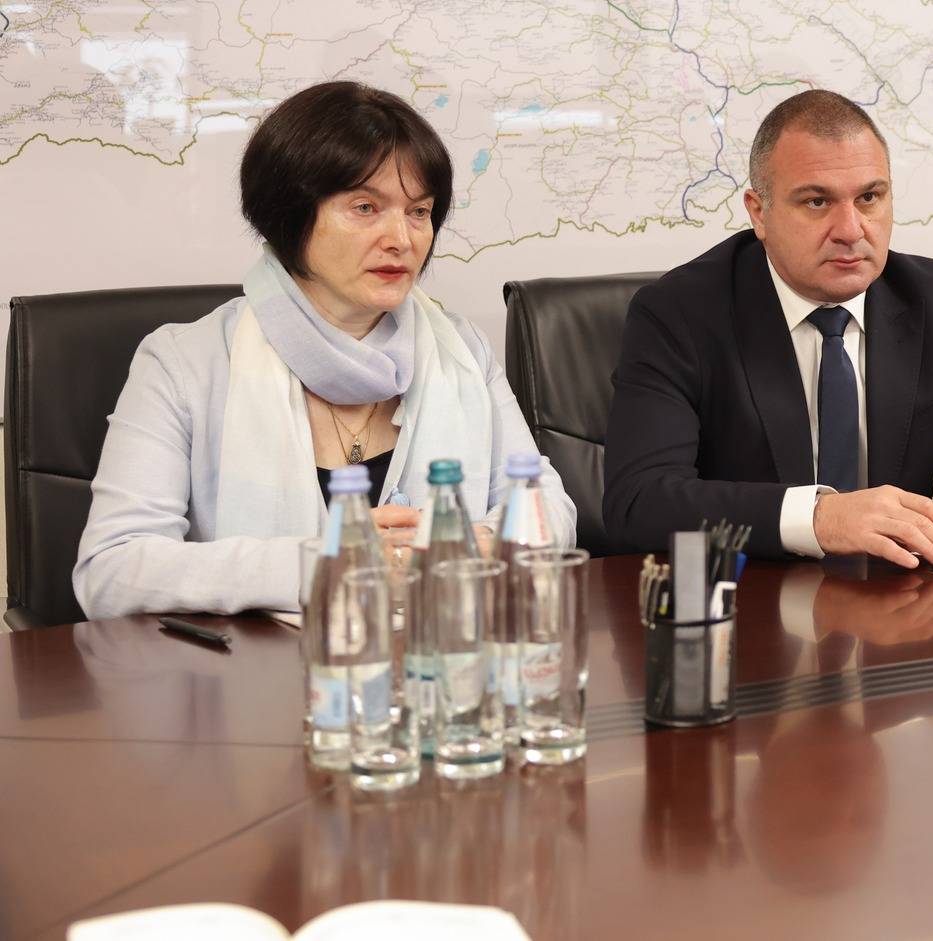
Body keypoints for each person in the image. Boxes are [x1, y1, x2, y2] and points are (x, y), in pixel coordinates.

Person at [74, 81, 576, 620]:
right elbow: (112, 571)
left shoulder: (461, 348)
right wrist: (324, 565)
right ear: (290, 214)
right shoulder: (184, 363)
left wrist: (473, 547)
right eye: (365, 206)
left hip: (440, 654)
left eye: (418, 211)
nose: (402, 239)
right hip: (258, 665)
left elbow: (549, 506)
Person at [603, 89, 933, 566]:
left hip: (895, 601)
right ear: (759, 212)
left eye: (869, 197)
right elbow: (638, 502)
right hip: (753, 597)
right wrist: (819, 517)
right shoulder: (678, 314)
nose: (850, 229)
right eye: (816, 201)